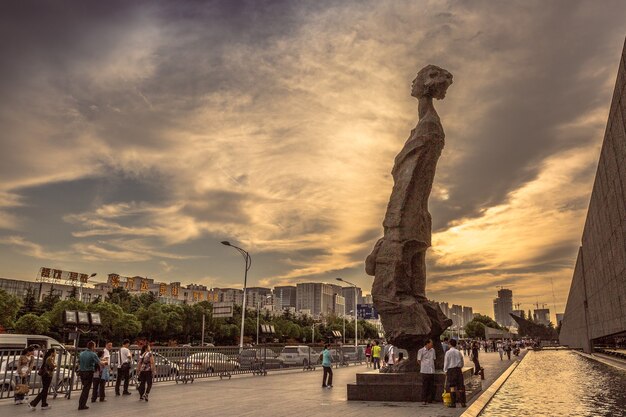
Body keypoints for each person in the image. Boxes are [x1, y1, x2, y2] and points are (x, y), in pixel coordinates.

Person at [443, 339, 466, 408]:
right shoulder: (458, 352)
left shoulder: (448, 352)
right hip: (458, 370)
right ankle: (463, 403)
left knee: (452, 387)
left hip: (451, 370)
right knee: (461, 387)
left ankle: (453, 403)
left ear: (450, 344)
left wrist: (445, 370)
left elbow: (446, 362)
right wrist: (460, 367)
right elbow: (462, 362)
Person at [78, 341, 100, 410]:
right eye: (95, 346)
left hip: (82, 372)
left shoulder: (81, 353)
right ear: (93, 347)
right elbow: (99, 362)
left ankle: (81, 403)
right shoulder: (93, 354)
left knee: (84, 387)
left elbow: (79, 362)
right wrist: (104, 362)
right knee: (86, 389)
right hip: (89, 372)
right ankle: (82, 404)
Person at [417, 339, 436, 405]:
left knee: (431, 385)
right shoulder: (421, 351)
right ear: (427, 344)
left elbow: (434, 359)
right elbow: (418, 360)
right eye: (431, 343)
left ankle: (430, 399)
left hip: (431, 370)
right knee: (425, 385)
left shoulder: (433, 350)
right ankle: (424, 400)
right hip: (424, 370)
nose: (432, 344)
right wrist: (423, 365)